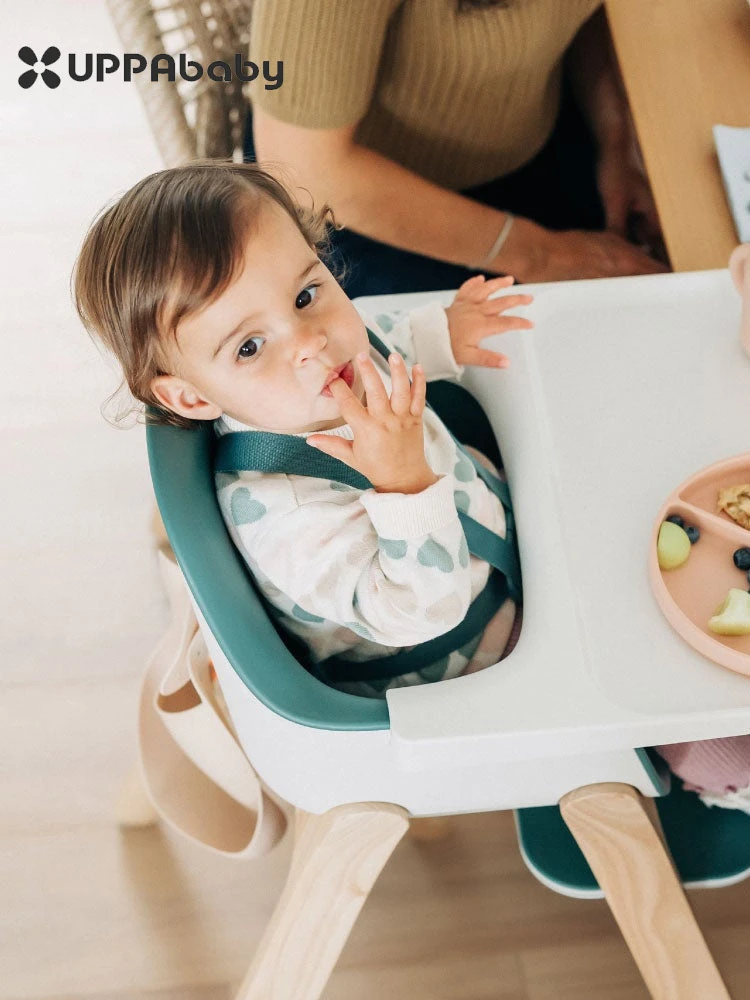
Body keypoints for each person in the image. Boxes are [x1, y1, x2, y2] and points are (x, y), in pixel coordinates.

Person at [73, 161, 749, 810]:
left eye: (306, 294)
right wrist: (403, 487)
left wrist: (440, 332)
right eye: (250, 347)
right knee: (678, 695)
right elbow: (425, 610)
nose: (310, 341)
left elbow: (375, 339)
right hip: (475, 649)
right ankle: (724, 782)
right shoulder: (291, 519)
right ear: (192, 397)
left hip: (502, 536)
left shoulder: (313, 371)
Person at [247, 0, 668, 297]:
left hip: (542, 136)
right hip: (356, 211)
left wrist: (618, 142)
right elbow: (302, 167)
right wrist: (540, 255)